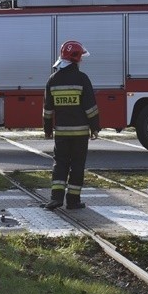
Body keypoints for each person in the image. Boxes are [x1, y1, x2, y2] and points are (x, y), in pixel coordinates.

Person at [42, 40, 100, 210]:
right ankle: (73, 201)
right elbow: (91, 107)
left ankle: (56, 198)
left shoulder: (52, 80)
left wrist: (47, 129)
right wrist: (95, 127)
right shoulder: (82, 79)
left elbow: (47, 109)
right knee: (77, 165)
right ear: (77, 58)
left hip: (61, 133)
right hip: (80, 134)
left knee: (60, 164)